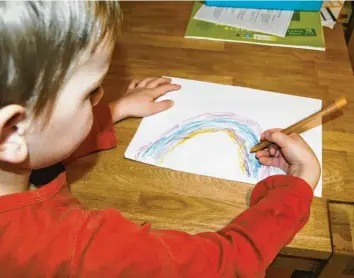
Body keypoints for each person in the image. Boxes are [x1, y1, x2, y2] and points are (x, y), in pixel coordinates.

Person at [0, 1, 321, 277]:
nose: (100, 97)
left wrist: (115, 110)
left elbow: (42, 143)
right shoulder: (69, 249)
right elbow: (223, 266)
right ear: (12, 131)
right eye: (89, 94)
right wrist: (298, 184)